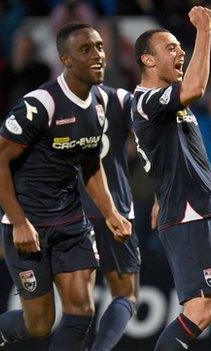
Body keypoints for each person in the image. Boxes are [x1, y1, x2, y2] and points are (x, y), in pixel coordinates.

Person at [0, 22, 131, 351]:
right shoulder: (40, 104)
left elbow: (91, 163)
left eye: (100, 47)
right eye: (85, 50)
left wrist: (110, 212)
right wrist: (19, 221)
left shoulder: (99, 105)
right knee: (39, 324)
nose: (98, 56)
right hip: (29, 227)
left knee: (81, 312)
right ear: (65, 59)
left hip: (72, 222)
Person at [132, 7, 211, 351]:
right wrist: (204, 31)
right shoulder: (145, 103)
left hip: (209, 210)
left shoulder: (175, 108)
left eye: (179, 47)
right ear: (148, 60)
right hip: (187, 217)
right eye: (170, 48)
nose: (180, 52)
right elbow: (197, 86)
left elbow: (185, 164)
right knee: (201, 310)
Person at [78, 84, 140, 351]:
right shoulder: (120, 98)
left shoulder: (50, 99)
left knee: (76, 308)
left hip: (70, 214)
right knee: (126, 295)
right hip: (117, 212)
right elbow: (151, 142)